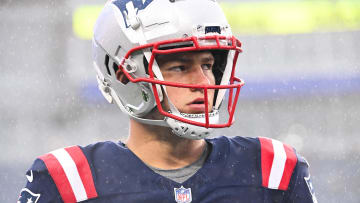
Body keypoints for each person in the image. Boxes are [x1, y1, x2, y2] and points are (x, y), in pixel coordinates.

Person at [18, 0, 318, 202]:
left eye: (207, 64)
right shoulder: (67, 181)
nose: (203, 83)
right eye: (180, 67)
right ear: (124, 76)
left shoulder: (273, 169)